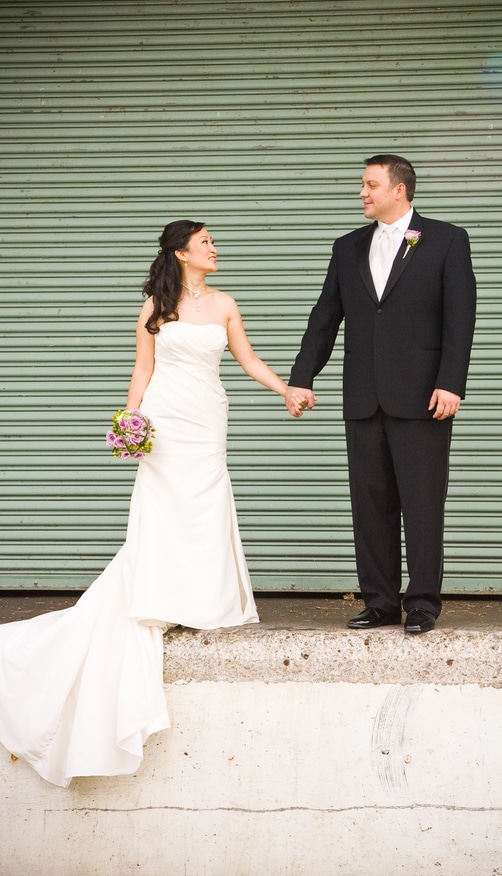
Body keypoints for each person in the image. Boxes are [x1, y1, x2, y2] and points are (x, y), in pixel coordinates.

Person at [0, 219, 303, 787]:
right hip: (165, 421)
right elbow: (143, 369)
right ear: (181, 253)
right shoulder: (153, 308)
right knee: (165, 512)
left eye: (213, 242)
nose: (215, 248)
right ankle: (163, 594)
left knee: (206, 504)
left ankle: (205, 602)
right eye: (206, 242)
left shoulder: (225, 304)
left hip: (208, 418)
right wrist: (129, 421)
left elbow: (247, 360)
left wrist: (285, 388)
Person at [286, 155, 476, 634]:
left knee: (423, 501)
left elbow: (460, 317)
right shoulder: (347, 247)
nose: (362, 193)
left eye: (371, 185)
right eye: (362, 185)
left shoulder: (446, 240)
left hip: (424, 398)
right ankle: (380, 601)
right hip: (364, 397)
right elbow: (324, 317)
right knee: (370, 503)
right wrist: (302, 377)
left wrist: (451, 381)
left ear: (400, 190)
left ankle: (423, 605)